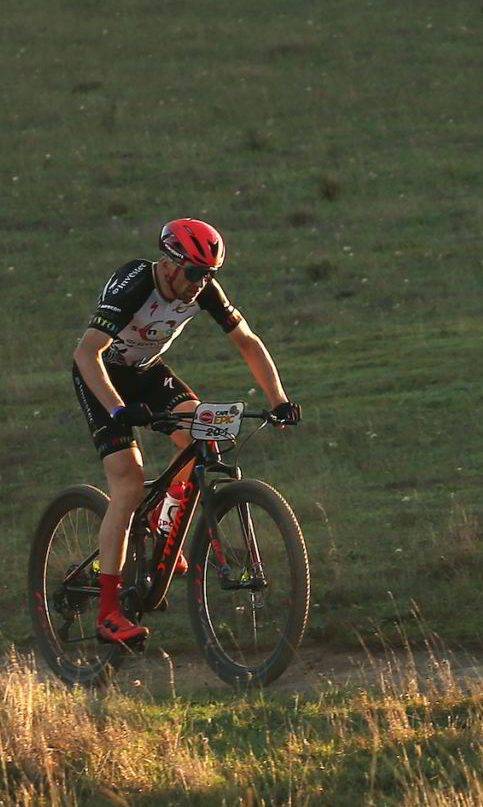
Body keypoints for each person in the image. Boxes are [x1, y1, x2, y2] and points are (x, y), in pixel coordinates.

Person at [69, 218, 302, 645]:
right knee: (128, 482)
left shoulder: (204, 289)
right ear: (169, 264)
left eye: (209, 274)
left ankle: (163, 523)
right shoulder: (136, 283)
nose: (201, 283)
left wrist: (278, 400)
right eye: (194, 273)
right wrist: (118, 410)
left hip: (146, 372)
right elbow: (87, 353)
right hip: (101, 377)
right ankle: (107, 614)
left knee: (204, 437)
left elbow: (247, 341)